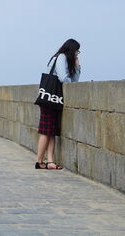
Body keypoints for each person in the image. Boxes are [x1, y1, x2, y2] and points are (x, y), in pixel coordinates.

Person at [36, 39, 81, 170]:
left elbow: (74, 81)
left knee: (51, 132)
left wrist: (77, 67)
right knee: (45, 132)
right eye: (76, 51)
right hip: (51, 98)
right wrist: (75, 68)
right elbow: (64, 78)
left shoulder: (60, 57)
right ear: (71, 49)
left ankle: (50, 161)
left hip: (53, 99)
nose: (77, 54)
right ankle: (39, 161)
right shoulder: (61, 57)